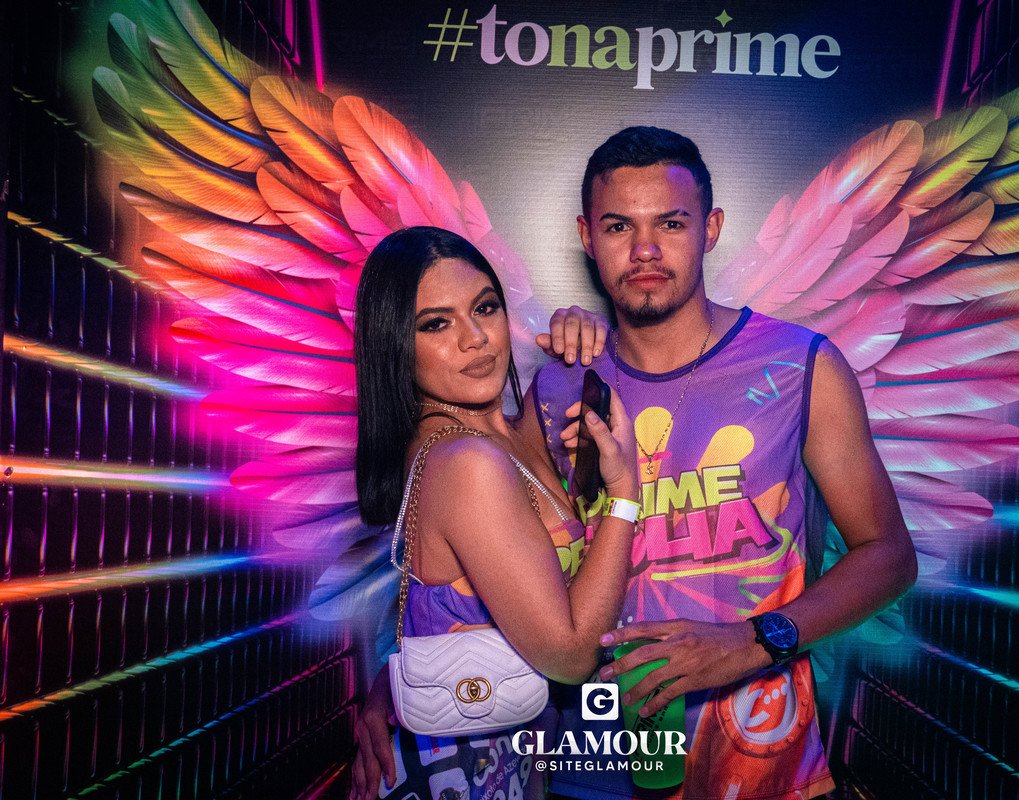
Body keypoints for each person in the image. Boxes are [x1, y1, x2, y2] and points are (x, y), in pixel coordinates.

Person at [531, 127, 919, 799]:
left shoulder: (801, 365)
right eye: (619, 226)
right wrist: (393, 693)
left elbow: (888, 555)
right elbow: (488, 553)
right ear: (587, 237)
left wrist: (753, 640)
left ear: (709, 229)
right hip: (593, 764)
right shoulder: (557, 383)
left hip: (758, 760)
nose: (645, 249)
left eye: (671, 223)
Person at [348, 226, 640, 800]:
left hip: (519, 767)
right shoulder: (466, 463)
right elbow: (572, 656)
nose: (476, 338)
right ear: (394, 346)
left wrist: (588, 331)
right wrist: (625, 492)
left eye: (484, 307)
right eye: (436, 324)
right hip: (457, 778)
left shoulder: (510, 435)